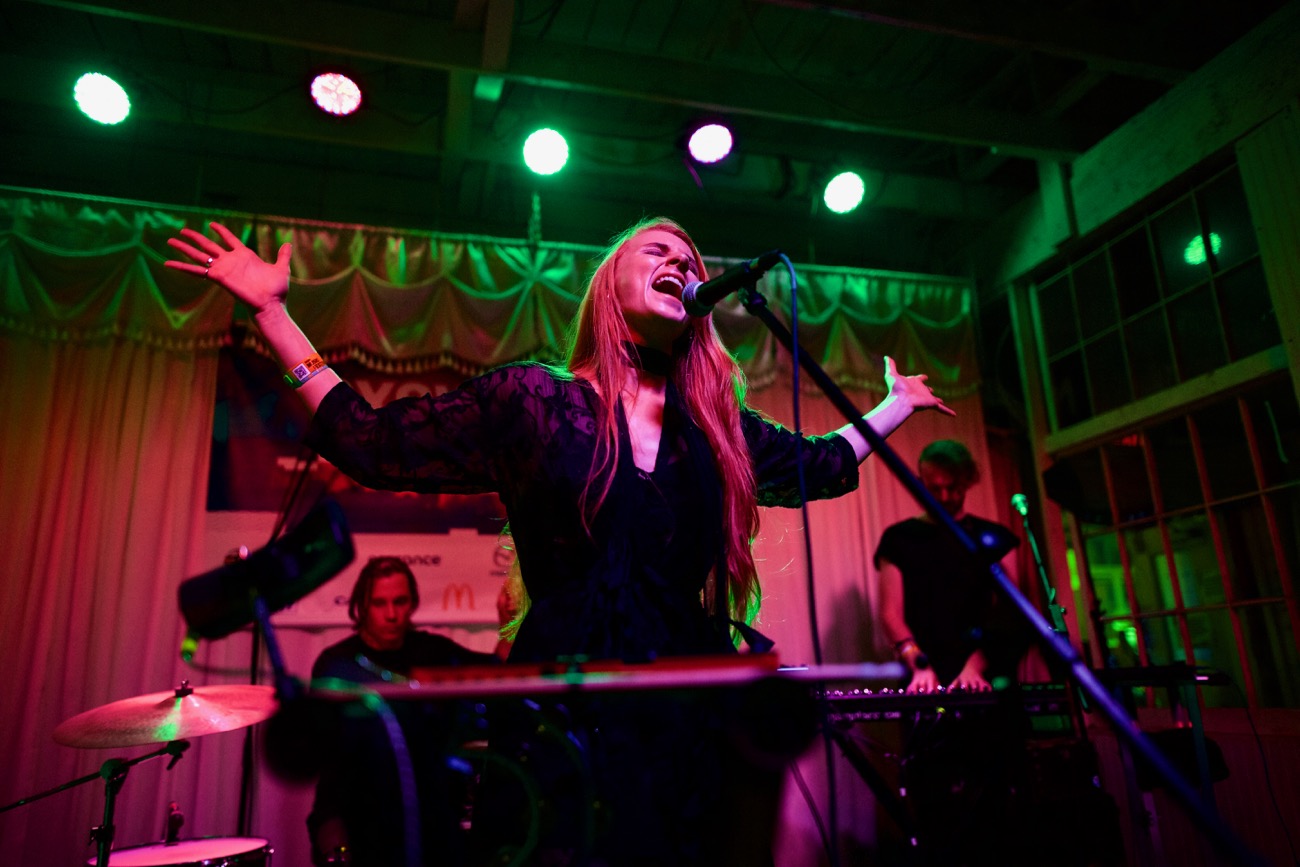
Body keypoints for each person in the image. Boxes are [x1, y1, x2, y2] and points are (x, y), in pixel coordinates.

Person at [167, 217, 953, 865]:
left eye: (690, 260)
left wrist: (895, 405)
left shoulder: (716, 432)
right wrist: (273, 314)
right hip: (558, 715)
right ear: (610, 286)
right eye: (658, 251)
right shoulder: (535, 401)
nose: (681, 263)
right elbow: (369, 441)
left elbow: (823, 464)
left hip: (685, 717)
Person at [874, 439, 1025, 866]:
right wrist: (920, 665)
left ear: (968, 482)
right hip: (925, 678)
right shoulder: (900, 539)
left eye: (952, 487)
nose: (942, 495)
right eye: (933, 487)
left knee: (996, 804)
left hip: (987, 678)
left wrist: (976, 663)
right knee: (934, 804)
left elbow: (1011, 612)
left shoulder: (992, 539)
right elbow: (890, 613)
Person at [307, 556, 512, 866]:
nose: (391, 614)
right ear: (361, 606)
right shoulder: (337, 664)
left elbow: (497, 674)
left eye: (400, 602)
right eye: (380, 603)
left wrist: (507, 623)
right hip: (359, 811)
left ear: (413, 602)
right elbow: (329, 769)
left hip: (428, 812)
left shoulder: (433, 651)